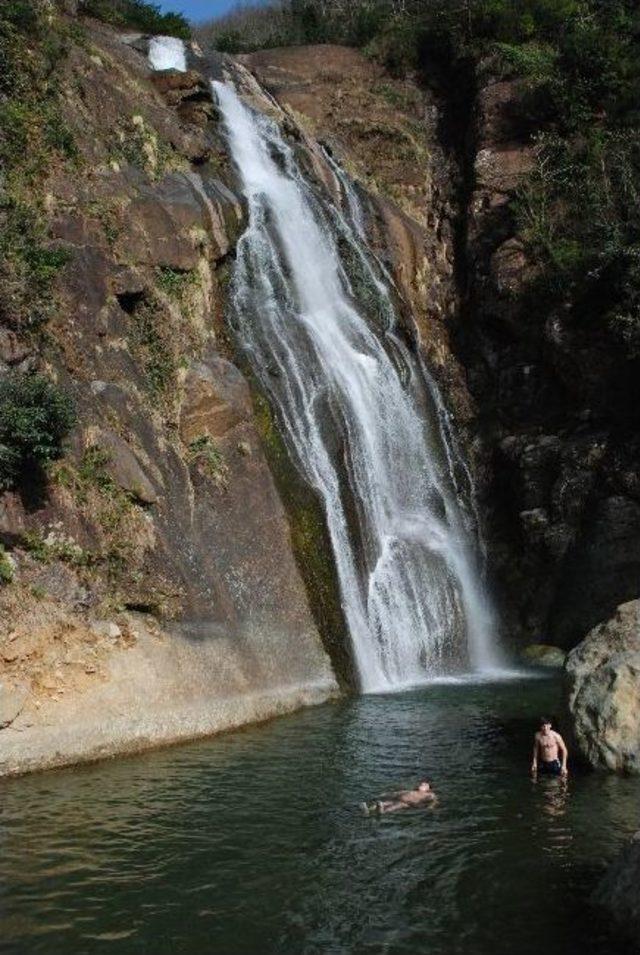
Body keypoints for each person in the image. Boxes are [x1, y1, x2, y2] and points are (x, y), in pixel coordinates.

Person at [361, 780, 437, 814]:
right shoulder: (411, 791)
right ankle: (368, 810)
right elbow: (397, 793)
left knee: (393, 807)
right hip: (397, 799)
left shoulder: (429, 794)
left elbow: (434, 801)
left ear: (428, 788)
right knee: (383, 803)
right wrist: (384, 795)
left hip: (406, 803)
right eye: (420, 784)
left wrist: (430, 807)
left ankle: (382, 812)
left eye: (424, 785)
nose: (421, 785)